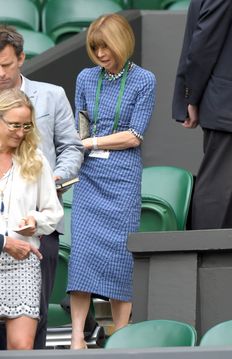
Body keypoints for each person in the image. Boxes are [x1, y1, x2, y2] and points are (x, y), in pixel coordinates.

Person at [67, 13, 156, 349]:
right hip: (90, 177)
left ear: (122, 43)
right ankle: (77, 337)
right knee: (83, 255)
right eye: (95, 48)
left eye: (106, 46)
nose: (101, 54)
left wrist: (90, 144)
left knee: (121, 256)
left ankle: (120, 336)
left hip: (122, 177)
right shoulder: (86, 78)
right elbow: (81, 127)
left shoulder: (144, 80)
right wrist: (80, 148)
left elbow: (134, 135)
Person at [0, 25, 84, 349]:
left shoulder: (51, 94)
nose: (1, 72)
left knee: (35, 319)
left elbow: (71, 147)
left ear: (21, 58)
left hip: (38, 227)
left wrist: (53, 179)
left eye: (6, 64)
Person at [0, 88, 64, 350]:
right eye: (14, 125)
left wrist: (36, 222)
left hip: (22, 261)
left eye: (26, 126)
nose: (20, 132)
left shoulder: (36, 160)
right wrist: (4, 243)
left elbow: (53, 212)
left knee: (22, 348)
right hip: (8, 248)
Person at [172, 0, 232, 229]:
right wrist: (192, 96)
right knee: (217, 191)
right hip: (227, 107)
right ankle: (206, 259)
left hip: (225, 104)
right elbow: (203, 45)